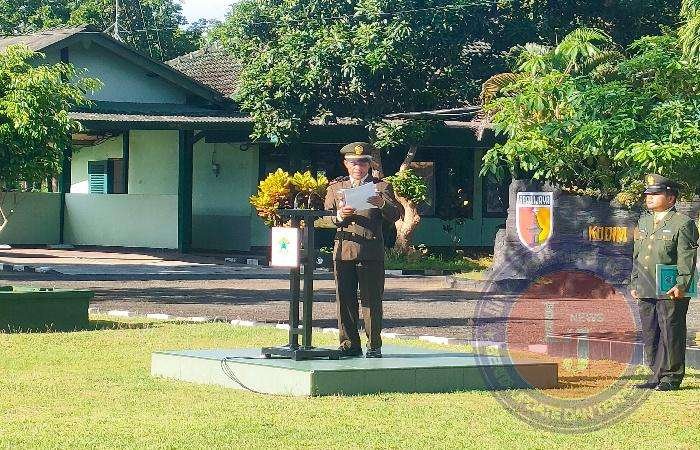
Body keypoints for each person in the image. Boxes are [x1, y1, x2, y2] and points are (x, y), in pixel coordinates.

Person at [324, 142, 401, 358]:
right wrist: (340, 216)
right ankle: (349, 344)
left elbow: (395, 215)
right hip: (344, 250)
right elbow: (323, 219)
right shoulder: (336, 188)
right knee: (345, 300)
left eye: (363, 163)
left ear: (369, 165)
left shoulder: (381, 187)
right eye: (354, 163)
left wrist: (381, 204)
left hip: (370, 251)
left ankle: (374, 345)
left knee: (371, 301)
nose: (358, 167)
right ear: (346, 164)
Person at [630, 174, 699, 391]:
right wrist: (634, 282)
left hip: (670, 287)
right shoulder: (644, 222)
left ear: (671, 198)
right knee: (651, 332)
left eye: (655, 194)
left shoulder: (683, 223)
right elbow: (638, 255)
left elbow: (687, 258)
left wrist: (682, 284)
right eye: (647, 194)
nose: (649, 198)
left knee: (671, 331)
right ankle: (656, 375)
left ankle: (671, 376)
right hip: (646, 285)